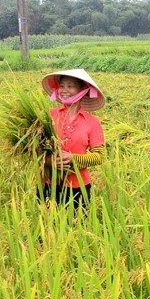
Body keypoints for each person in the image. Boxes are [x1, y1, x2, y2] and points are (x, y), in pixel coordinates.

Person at [39, 68, 106, 210]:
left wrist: (72, 159)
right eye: (62, 86)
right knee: (47, 226)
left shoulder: (92, 122)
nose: (64, 90)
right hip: (49, 183)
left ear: (83, 90)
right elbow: (32, 149)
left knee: (77, 229)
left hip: (78, 186)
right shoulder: (48, 116)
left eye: (70, 86)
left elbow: (99, 156)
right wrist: (49, 161)